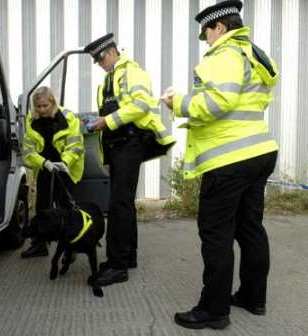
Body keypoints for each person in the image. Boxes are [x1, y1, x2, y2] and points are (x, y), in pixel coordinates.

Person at [161, 0, 279, 330]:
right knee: (250, 228)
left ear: (220, 27)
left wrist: (178, 102)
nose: (207, 40)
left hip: (229, 159)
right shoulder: (253, 54)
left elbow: (217, 102)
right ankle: (253, 297)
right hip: (258, 150)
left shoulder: (224, 55)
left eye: (207, 33)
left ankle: (214, 310)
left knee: (216, 233)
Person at [84, 34, 175, 287]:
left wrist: (107, 122)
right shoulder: (108, 80)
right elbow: (111, 110)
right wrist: (97, 122)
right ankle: (127, 256)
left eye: (100, 58)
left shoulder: (133, 72)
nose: (98, 63)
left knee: (118, 205)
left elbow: (141, 105)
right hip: (116, 146)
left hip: (129, 144)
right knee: (123, 203)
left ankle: (117, 265)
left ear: (111, 52)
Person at [21, 86, 84, 258]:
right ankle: (39, 245)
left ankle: (70, 248)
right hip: (45, 167)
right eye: (38, 106)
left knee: (66, 208)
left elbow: (76, 145)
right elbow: (28, 151)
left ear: (53, 103)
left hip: (66, 168)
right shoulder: (31, 120)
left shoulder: (68, 118)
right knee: (42, 208)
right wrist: (44, 163)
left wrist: (65, 162)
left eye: (45, 106)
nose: (41, 110)